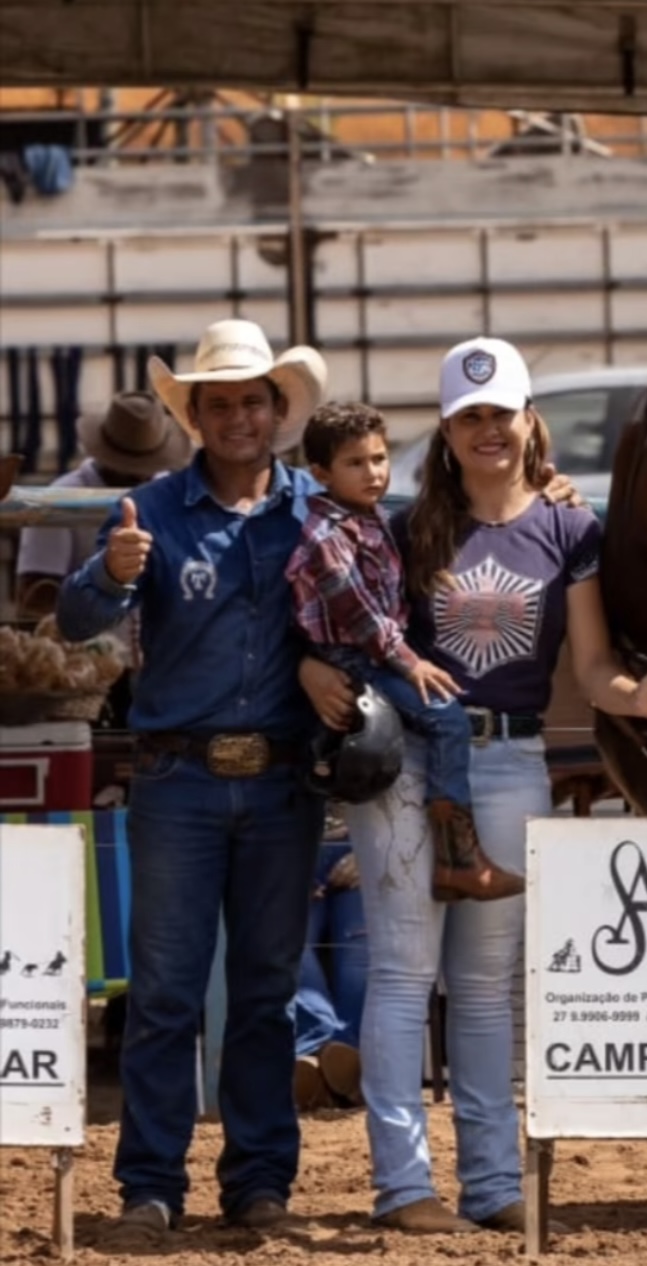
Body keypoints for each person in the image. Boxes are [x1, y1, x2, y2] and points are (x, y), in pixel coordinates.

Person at [298, 335, 647, 1235]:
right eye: (469, 416)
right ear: (446, 429)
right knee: (404, 974)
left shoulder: (571, 528)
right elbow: (345, 620)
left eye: (501, 413)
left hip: (515, 758)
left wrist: (643, 696)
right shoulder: (402, 529)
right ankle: (404, 1185)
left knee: (485, 987)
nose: (489, 430)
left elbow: (591, 668)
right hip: (408, 764)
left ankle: (489, 1182)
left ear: (530, 420)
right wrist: (307, 671)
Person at [55, 318, 330, 1239]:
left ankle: (258, 1185)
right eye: (221, 404)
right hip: (179, 779)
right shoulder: (151, 513)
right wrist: (109, 571)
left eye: (253, 401)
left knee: (264, 993)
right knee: (167, 994)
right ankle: (152, 1185)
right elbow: (76, 614)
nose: (239, 418)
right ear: (197, 416)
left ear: (278, 409)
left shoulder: (316, 512)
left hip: (282, 781)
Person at [287, 401, 521, 901]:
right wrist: (412, 662)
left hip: (371, 650)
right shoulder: (328, 537)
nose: (373, 473)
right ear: (320, 474)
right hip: (350, 656)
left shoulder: (372, 520)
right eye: (355, 463)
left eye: (378, 459)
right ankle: (458, 855)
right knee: (446, 719)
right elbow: (364, 619)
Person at [17, 391, 192, 618]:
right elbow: (37, 595)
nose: (142, 476)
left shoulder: (169, 491)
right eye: (133, 470)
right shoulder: (59, 500)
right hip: (88, 646)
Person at [294, 838, 367, 1111]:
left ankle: (316, 1054)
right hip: (292, 843)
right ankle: (343, 1061)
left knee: (359, 953)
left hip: (359, 839)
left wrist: (370, 850)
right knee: (290, 946)